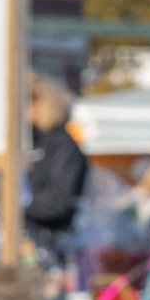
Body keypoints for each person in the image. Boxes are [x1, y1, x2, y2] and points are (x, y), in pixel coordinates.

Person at [25, 76, 91, 273]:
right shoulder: (29, 141)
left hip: (48, 244)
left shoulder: (63, 146)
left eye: (30, 101)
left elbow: (57, 202)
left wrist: (12, 202)